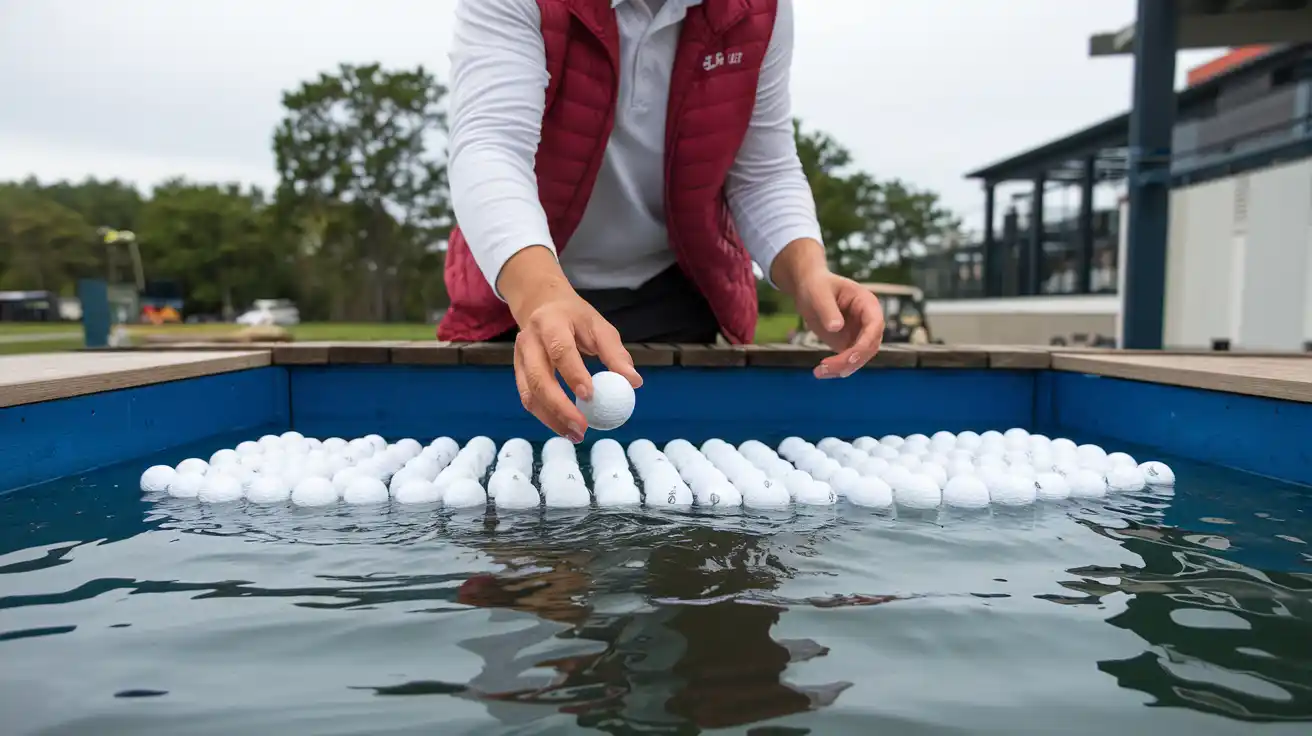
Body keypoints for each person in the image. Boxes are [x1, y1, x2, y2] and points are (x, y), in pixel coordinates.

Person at [440, 0, 886, 442]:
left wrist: (806, 271)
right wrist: (539, 294)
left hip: (674, 297)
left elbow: (763, 169)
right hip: (522, 300)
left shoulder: (761, 7)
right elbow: (490, 146)